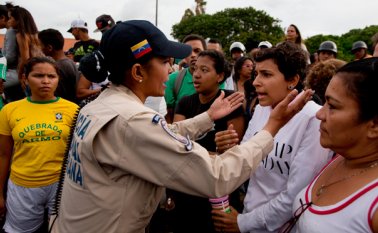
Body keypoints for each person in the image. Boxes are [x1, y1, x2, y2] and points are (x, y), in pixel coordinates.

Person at [49, 20, 313, 233]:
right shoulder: (130, 120)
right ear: (138, 72)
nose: (174, 69)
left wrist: (207, 117)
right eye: (165, 63)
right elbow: (217, 176)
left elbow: (158, 137)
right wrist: (273, 127)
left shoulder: (104, 104)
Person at [211, 41, 331, 233]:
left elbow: (296, 195)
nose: (256, 81)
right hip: (249, 216)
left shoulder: (313, 119)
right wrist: (228, 149)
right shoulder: (261, 109)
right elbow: (248, 160)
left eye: (266, 74)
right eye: (256, 74)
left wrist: (243, 222)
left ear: (292, 79)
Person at [286, 57, 378, 233]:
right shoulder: (343, 155)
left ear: (374, 125)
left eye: (333, 106)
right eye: (325, 102)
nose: (319, 114)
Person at [168, 50, 245, 232]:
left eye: (204, 70)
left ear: (220, 76)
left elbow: (232, 153)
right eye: (195, 69)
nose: (196, 74)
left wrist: (225, 148)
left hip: (216, 190)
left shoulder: (230, 101)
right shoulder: (185, 102)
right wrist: (212, 154)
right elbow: (176, 144)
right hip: (186, 187)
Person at [0, 56, 79, 233]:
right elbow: (3, 154)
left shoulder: (73, 110)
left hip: (62, 184)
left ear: (58, 80)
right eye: (38, 75)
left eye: (51, 76)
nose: (45, 81)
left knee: (62, 229)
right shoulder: (9, 111)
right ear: (25, 78)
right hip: (23, 185)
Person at [164, 34, 207, 123]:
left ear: (206, 52)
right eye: (188, 51)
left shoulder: (217, 79)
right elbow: (169, 116)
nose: (193, 55)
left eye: (197, 51)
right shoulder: (172, 79)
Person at [7, 4, 43, 98]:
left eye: (10, 18)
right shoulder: (36, 34)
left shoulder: (21, 35)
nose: (9, 21)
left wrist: (20, 76)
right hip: (41, 68)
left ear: (18, 20)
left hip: (29, 71)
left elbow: (25, 58)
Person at [38, 28, 80, 103]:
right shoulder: (69, 62)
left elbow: (59, 95)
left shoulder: (58, 67)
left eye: (40, 45)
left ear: (49, 48)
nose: (39, 48)